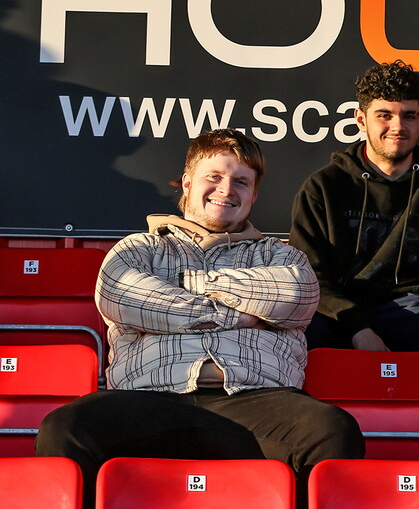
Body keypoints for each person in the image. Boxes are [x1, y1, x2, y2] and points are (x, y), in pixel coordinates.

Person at [36, 129, 364, 508]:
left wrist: (182, 287)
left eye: (241, 181)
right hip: (150, 399)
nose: (227, 190)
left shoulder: (282, 256)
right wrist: (241, 315)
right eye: (214, 177)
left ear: (254, 195)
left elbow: (297, 295)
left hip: (258, 399)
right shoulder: (139, 248)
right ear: (188, 184)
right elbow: (120, 294)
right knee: (64, 429)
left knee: (332, 430)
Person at [289, 60, 419, 352]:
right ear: (361, 120)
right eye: (384, 115)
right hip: (340, 314)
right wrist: (358, 328)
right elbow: (309, 277)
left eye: (409, 116)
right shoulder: (323, 187)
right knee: (297, 332)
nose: (398, 127)